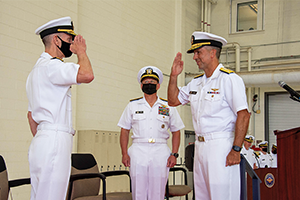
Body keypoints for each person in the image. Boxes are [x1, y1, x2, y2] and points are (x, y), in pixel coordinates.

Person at [168, 31, 250, 200]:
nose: (194, 57)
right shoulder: (196, 82)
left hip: (220, 147)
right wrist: (174, 76)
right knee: (203, 196)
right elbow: (173, 100)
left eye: (198, 52)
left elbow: (243, 115)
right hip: (200, 148)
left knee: (222, 196)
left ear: (213, 53)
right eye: (194, 53)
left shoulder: (229, 79)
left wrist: (236, 149)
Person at [26, 16, 94, 200]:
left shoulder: (34, 72)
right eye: (69, 38)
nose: (72, 43)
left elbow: (31, 116)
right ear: (57, 40)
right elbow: (87, 74)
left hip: (41, 140)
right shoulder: (53, 66)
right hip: (55, 138)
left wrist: (46, 137)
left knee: (40, 195)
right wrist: (82, 52)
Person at [118, 66, 185, 200]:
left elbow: (176, 131)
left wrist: (174, 153)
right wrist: (124, 153)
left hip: (160, 150)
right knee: (138, 191)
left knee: (158, 191)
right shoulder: (132, 105)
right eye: (146, 83)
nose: (149, 85)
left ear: (158, 85)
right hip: (138, 150)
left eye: (152, 83)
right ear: (141, 85)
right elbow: (124, 130)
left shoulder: (168, 106)